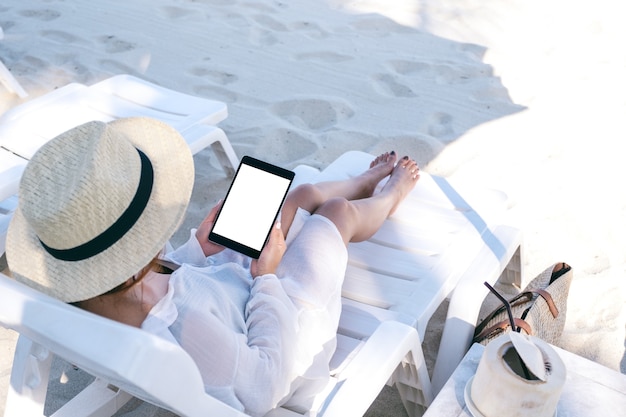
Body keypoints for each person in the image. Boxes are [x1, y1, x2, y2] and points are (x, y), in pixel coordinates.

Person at [6, 117, 420, 416]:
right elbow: (264, 387)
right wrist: (268, 278)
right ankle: (388, 196)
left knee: (298, 195)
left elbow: (163, 284)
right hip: (281, 321)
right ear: (132, 263)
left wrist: (198, 250)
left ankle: (364, 183)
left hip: (222, 286)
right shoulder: (188, 330)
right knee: (335, 213)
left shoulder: (87, 293)